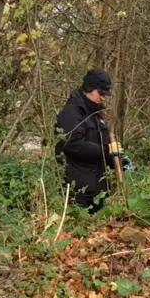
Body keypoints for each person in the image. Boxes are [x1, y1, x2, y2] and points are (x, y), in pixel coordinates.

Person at [55, 69, 129, 213]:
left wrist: (116, 160)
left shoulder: (96, 115)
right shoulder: (71, 113)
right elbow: (73, 145)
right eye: (100, 93)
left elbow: (99, 147)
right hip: (78, 191)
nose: (103, 98)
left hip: (98, 190)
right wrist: (107, 150)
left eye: (105, 94)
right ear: (89, 88)